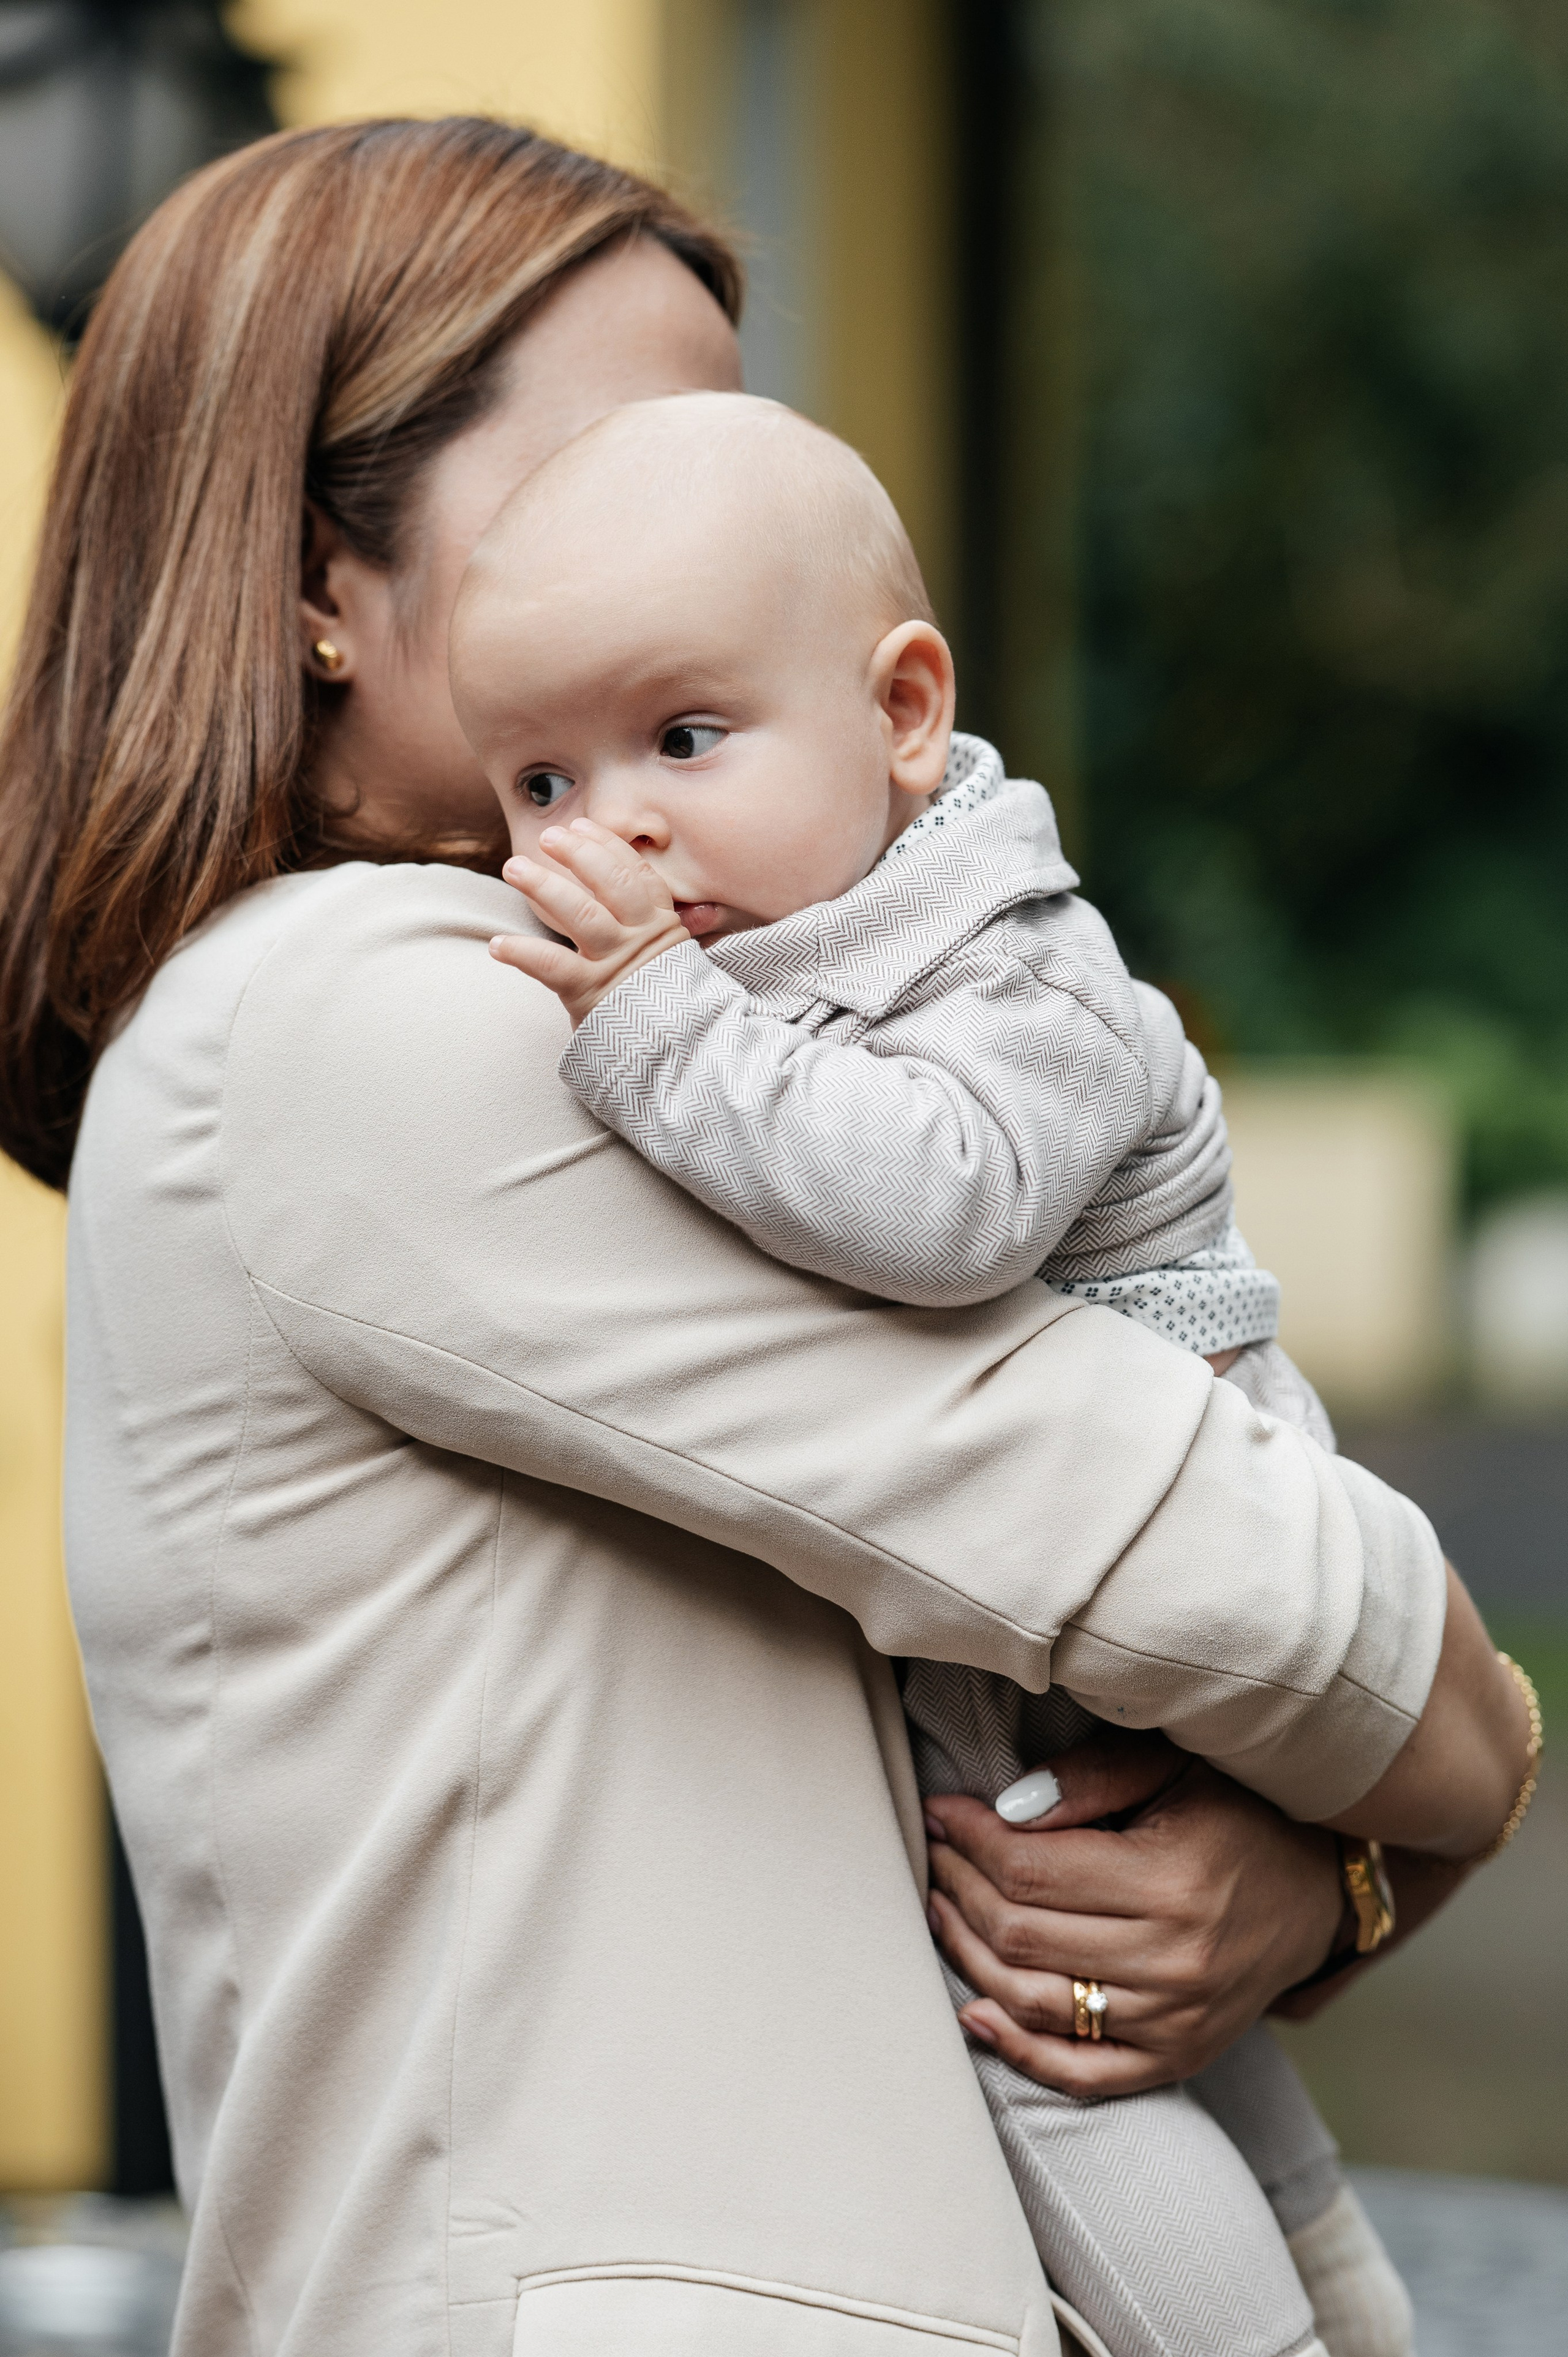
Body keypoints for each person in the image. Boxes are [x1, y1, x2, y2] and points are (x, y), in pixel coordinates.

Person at [0, 121, 1534, 2357]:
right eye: (604, 471)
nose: (684, 537)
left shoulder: (672, 994)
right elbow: (1140, 1524)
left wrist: (1308, 1883)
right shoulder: (392, 1016)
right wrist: (1464, 1757)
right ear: (319, 579)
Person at [450, 390, 1525, 2357]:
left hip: (1150, 1567)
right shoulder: (786, 929)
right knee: (1231, 2101)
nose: (607, 828)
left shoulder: (1016, 957)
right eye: (533, 783)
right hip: (1053, 1591)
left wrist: (655, 1028)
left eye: (683, 738)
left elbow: (945, 1212)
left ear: (907, 712)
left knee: (1045, 2059)